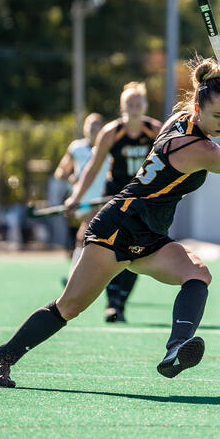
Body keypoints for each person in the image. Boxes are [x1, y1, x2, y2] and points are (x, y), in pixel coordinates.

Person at [0, 56, 220, 388]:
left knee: (198, 274)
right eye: (217, 116)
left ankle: (175, 349)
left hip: (150, 235)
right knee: (69, 306)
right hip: (117, 227)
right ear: (197, 110)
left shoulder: (178, 121)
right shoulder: (198, 148)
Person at [68, 82, 161, 323]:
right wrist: (76, 197)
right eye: (129, 103)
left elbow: (169, 165)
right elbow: (93, 167)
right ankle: (112, 303)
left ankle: (119, 301)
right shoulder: (111, 132)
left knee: (137, 253)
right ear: (122, 106)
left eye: (138, 103)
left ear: (145, 105)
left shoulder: (155, 131)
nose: (134, 107)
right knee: (108, 250)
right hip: (115, 198)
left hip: (143, 200)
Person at [53, 112, 108, 267]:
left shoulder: (108, 149)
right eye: (89, 125)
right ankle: (77, 277)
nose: (92, 129)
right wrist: (69, 177)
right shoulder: (76, 148)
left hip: (102, 200)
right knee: (83, 238)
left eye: (96, 126)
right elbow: (60, 172)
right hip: (80, 201)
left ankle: (77, 277)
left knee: (85, 236)